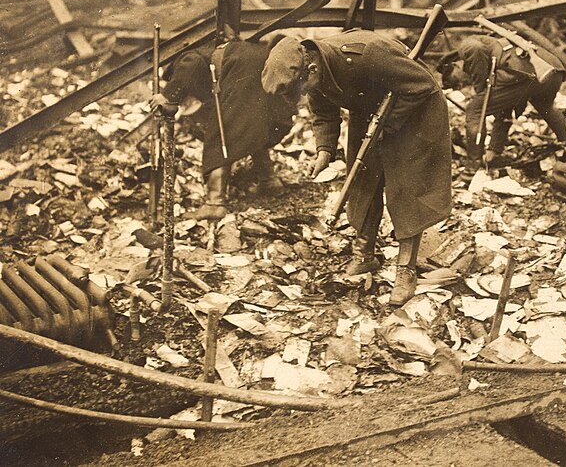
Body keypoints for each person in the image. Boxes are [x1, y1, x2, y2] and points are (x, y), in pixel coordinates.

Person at [261, 30, 452, 306]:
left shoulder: (366, 53)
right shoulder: (314, 68)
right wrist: (324, 150)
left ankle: (406, 269)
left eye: (303, 88)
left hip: (415, 108)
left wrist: (387, 123)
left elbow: (422, 85)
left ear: (311, 68)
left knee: (406, 188)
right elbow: (323, 109)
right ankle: (365, 255)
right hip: (372, 110)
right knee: (361, 180)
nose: (304, 95)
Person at [150, 38, 297, 220]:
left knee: (221, 133)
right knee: (249, 127)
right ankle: (270, 181)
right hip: (261, 64)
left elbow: (190, 65)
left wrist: (167, 96)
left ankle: (214, 203)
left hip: (244, 69)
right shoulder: (209, 53)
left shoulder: (186, 58)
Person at [457, 35, 566, 165]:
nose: (461, 82)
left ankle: (473, 164)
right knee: (545, 106)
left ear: (455, 64)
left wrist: (480, 91)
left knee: (475, 110)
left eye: (454, 79)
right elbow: (505, 104)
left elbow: (475, 48)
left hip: (528, 72)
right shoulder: (495, 45)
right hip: (554, 69)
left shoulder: (467, 45)